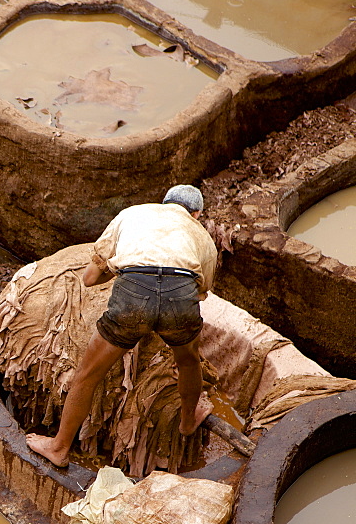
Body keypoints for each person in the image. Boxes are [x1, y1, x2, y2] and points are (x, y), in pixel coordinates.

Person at [26, 184, 218, 467]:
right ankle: (188, 421)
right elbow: (201, 290)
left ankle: (59, 447)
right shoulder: (203, 237)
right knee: (189, 362)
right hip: (180, 296)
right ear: (197, 214)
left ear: (163, 203)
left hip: (133, 293)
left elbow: (90, 278)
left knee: (88, 374)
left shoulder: (133, 214)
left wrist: (123, 274)